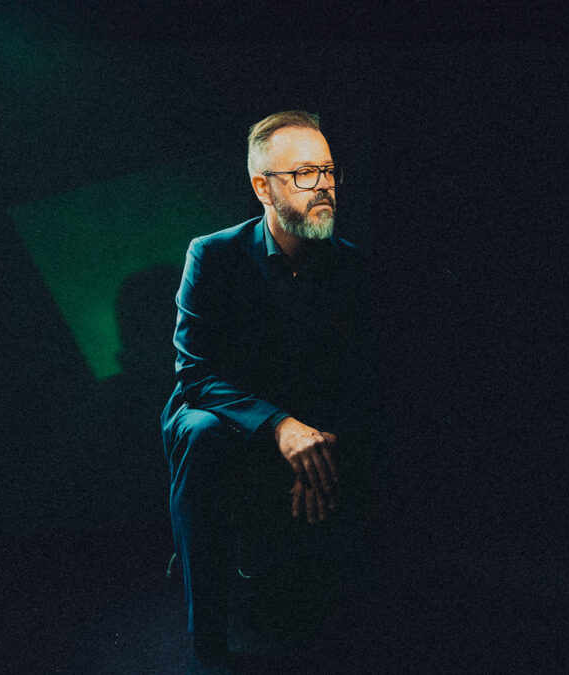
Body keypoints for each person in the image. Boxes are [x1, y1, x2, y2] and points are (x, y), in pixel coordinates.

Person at [160, 111, 376, 671]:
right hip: (220, 409)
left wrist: (316, 445)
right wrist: (281, 428)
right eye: (304, 173)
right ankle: (208, 630)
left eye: (328, 170)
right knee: (201, 432)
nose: (323, 185)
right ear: (263, 187)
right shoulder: (213, 254)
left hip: (309, 417)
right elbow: (195, 373)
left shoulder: (352, 265)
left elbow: (361, 376)